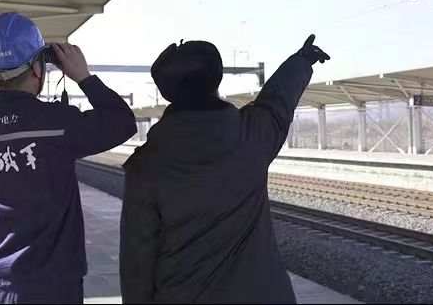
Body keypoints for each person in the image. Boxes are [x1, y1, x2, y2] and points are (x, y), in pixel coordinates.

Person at [120, 35, 330, 303]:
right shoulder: (252, 135)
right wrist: (301, 61)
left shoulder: (145, 165)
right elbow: (278, 100)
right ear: (216, 78)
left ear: (166, 92)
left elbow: (137, 257)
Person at [0, 12, 136, 304]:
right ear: (37, 68)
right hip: (50, 284)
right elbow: (122, 122)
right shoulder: (56, 123)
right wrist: (84, 77)